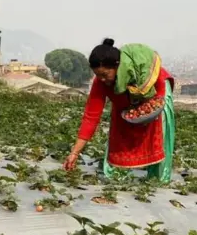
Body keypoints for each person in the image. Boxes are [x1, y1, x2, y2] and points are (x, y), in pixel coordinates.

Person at [63, 38, 175, 183]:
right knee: (120, 129)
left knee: (157, 133)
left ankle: (158, 179)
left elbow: (158, 100)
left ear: (117, 67)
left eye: (105, 74)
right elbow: (91, 116)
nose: (102, 79)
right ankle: (116, 176)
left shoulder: (146, 74)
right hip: (124, 104)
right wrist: (75, 153)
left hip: (156, 93)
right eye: (98, 75)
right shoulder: (101, 83)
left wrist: (152, 107)